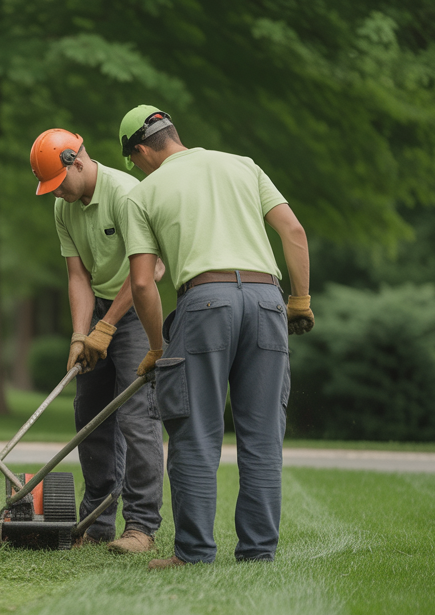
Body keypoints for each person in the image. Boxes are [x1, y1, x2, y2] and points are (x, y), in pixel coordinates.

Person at [117, 106, 314, 569]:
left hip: (205, 303)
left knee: (195, 434)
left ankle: (194, 553)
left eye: (135, 161)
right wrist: (300, 299)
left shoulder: (143, 194)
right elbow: (293, 230)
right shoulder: (243, 164)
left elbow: (143, 283)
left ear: (141, 151)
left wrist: (158, 350)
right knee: (263, 437)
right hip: (267, 299)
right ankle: (257, 552)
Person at [29, 128, 166, 553]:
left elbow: (149, 272)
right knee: (90, 417)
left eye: (58, 181)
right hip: (101, 310)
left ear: (78, 161)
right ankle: (98, 522)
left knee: (136, 417)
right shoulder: (63, 207)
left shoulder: (126, 194)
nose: (57, 192)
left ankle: (141, 526)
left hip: (138, 308)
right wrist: (80, 333)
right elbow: (78, 277)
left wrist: (108, 326)